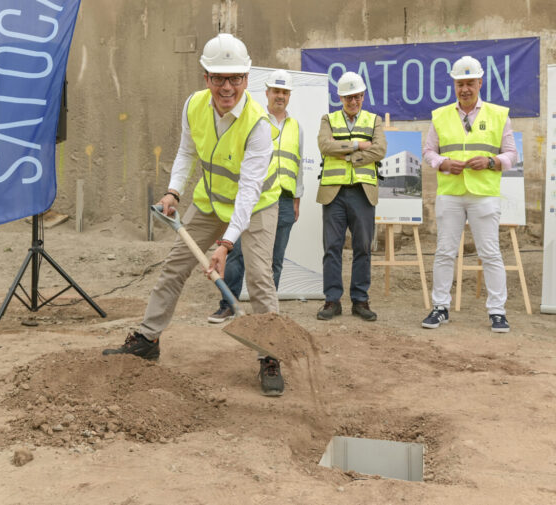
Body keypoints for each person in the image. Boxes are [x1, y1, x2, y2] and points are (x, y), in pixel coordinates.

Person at [103, 34, 285, 396]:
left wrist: (225, 244)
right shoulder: (193, 106)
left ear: (247, 79)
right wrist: (174, 191)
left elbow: (248, 192)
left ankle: (270, 356)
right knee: (174, 266)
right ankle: (148, 339)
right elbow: (186, 153)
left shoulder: (259, 125)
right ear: (206, 78)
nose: (227, 87)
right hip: (210, 201)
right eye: (218, 78)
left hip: (257, 207)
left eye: (235, 78)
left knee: (261, 278)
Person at [421, 56, 518, 332]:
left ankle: (497, 311)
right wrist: (442, 163)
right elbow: (429, 151)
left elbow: (511, 154)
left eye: (470, 83)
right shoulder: (440, 115)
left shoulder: (499, 115)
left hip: (483, 194)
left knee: (490, 253)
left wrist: (490, 162)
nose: (465, 88)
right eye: (460, 83)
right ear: (454, 84)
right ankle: (440, 307)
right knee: (444, 252)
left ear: (480, 83)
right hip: (451, 192)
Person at [207, 69, 304, 324]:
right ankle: (228, 303)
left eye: (284, 92)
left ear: (289, 95)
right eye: (276, 91)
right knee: (236, 252)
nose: (280, 96)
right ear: (267, 93)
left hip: (282, 199)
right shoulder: (254, 119)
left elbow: (299, 166)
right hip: (250, 198)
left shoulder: (296, 127)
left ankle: (268, 313)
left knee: (274, 259)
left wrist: (297, 199)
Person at [316, 71, 386, 321]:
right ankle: (332, 301)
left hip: (362, 192)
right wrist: (358, 145)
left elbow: (379, 150)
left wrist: (346, 155)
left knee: (362, 248)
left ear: (363, 96)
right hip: (333, 193)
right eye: (348, 97)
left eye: (357, 96)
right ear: (340, 97)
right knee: (332, 248)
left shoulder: (374, 120)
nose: (353, 101)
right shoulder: (328, 119)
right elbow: (325, 146)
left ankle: (360, 300)